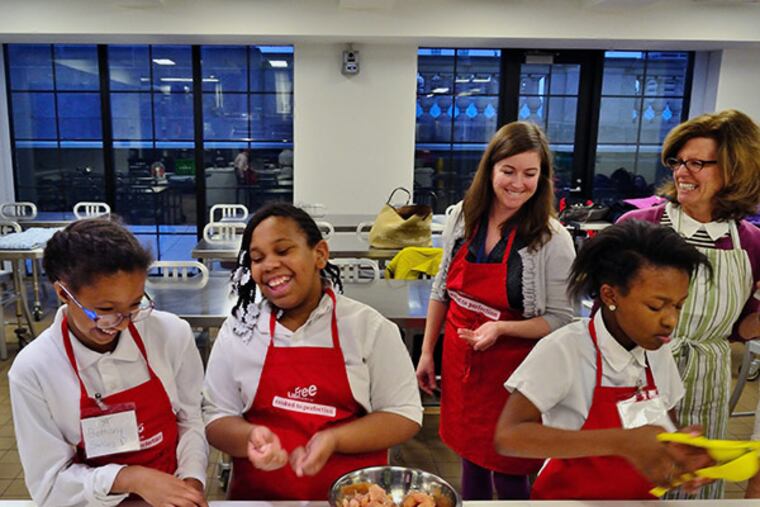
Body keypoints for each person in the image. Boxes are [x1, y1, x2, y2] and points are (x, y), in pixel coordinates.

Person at [202, 203, 422, 500]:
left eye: (283, 251)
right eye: (257, 258)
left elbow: (403, 415)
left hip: (352, 498)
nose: (269, 265)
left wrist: (334, 439)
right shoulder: (239, 331)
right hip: (260, 498)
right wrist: (249, 437)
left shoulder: (368, 328)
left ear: (320, 254)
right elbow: (217, 417)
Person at [495, 220, 715, 500]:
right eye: (655, 306)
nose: (671, 320)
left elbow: (665, 426)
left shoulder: (657, 351)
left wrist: (682, 452)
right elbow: (509, 437)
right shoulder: (565, 349)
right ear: (610, 295)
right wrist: (622, 442)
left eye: (678, 305)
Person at [415, 121, 576, 500]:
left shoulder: (552, 239)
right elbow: (442, 290)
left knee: (509, 464)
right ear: (490, 170)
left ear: (543, 177)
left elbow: (561, 319)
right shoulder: (461, 217)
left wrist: (501, 330)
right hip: (461, 359)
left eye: (529, 173)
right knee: (469, 455)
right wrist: (426, 352)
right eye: (508, 171)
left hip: (515, 370)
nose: (517, 183)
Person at [8, 219, 208, 507]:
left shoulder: (170, 334)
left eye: (134, 305)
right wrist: (130, 477)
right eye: (105, 310)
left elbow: (190, 421)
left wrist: (190, 483)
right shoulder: (35, 369)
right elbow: (49, 486)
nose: (122, 324)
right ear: (64, 293)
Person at [618, 109, 760, 499]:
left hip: (707, 382)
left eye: (697, 163)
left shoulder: (749, 242)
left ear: (734, 170)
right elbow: (604, 314)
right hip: (638, 379)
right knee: (635, 484)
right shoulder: (637, 226)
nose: (682, 172)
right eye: (678, 162)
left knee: (693, 487)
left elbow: (741, 327)